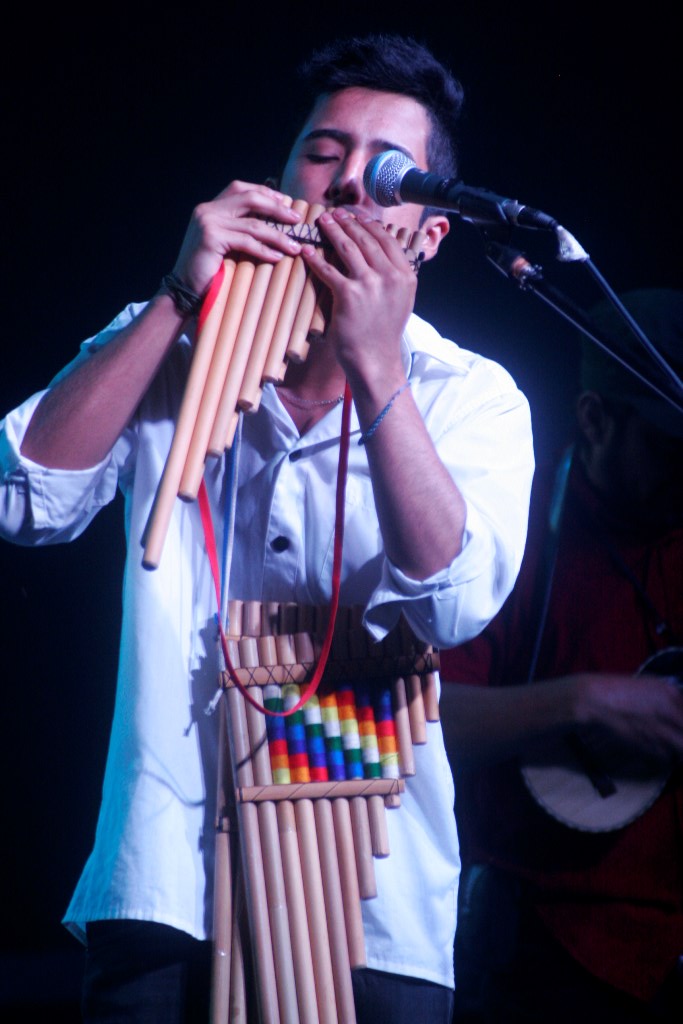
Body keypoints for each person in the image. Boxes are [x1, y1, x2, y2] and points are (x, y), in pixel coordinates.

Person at [0, 34, 534, 1024]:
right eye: (323, 153)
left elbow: (454, 605)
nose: (347, 183)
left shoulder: (472, 396)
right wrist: (174, 300)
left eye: (389, 170)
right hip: (161, 877)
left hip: (370, 904)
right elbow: (24, 498)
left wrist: (378, 365)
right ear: (283, 180)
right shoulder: (165, 337)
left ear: (428, 235)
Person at [439, 287, 683, 1023]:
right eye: (668, 445)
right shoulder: (509, 524)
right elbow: (423, 725)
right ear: (593, 418)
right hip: (546, 954)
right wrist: (582, 702)